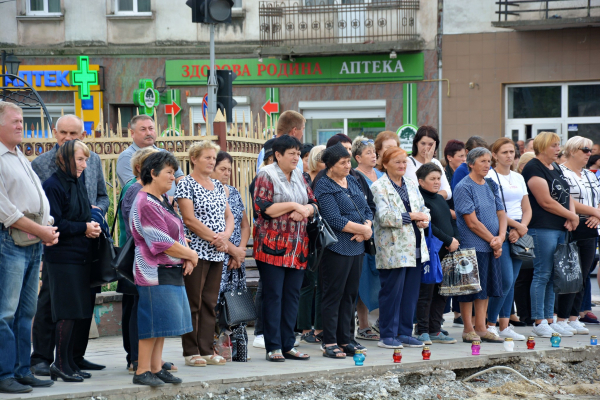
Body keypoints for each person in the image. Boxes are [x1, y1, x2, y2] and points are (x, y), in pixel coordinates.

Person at [30, 115, 109, 376]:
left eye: (73, 133)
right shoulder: (42, 164)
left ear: (83, 134)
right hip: (59, 244)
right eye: (63, 132)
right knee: (50, 302)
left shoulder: (92, 159)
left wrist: (95, 218)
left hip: (87, 242)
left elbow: (101, 196)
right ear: (55, 133)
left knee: (83, 300)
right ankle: (42, 357)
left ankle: (75, 356)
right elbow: (41, 207)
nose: (68, 138)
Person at [0, 102, 58, 394]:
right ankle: (4, 373)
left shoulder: (18, 155)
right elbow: (5, 211)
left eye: (22, 120)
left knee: (26, 312)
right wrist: (42, 231)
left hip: (32, 240)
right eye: (15, 121)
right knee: (5, 313)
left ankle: (23, 370)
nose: (21, 125)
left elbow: (35, 198)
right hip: (10, 239)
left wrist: (47, 226)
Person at [130, 152, 197, 387]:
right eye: (169, 172)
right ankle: (141, 370)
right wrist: (190, 255)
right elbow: (160, 241)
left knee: (162, 323)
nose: (173, 176)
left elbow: (177, 232)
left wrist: (187, 256)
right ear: (152, 173)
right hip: (152, 271)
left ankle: (156, 368)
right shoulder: (145, 202)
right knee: (151, 322)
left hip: (169, 268)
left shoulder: (162, 200)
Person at [253, 135, 316, 361]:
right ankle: (273, 346)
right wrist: (293, 205)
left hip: (297, 248)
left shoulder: (300, 175)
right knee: (274, 296)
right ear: (277, 155)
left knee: (292, 296)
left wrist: (306, 211)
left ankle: (288, 344)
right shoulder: (266, 175)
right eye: (291, 153)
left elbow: (313, 203)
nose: (296, 158)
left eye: (298, 154)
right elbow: (263, 207)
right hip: (272, 247)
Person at [41, 140, 100, 382]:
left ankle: (70, 362)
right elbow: (55, 223)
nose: (85, 165)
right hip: (62, 257)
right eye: (80, 159)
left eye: (86, 159)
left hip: (80, 255)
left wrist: (92, 226)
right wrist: (84, 227)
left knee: (76, 311)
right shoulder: (53, 184)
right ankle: (60, 364)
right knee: (66, 311)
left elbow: (82, 213)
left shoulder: (75, 183)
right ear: (65, 159)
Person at [176, 141, 234, 367]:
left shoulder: (218, 186)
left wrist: (225, 238)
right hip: (196, 252)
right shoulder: (186, 184)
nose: (212, 161)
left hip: (218, 252)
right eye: (207, 157)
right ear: (194, 159)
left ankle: (206, 349)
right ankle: (191, 351)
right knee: (193, 302)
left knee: (210, 302)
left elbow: (229, 216)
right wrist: (215, 238)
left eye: (214, 158)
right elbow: (189, 219)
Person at [313, 143, 373, 358]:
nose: (348, 165)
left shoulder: (353, 181)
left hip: (357, 246)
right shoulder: (324, 185)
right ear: (330, 165)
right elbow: (334, 219)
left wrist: (366, 228)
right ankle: (330, 342)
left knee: (349, 295)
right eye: (343, 163)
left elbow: (367, 208)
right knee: (333, 295)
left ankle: (345, 339)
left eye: (349, 161)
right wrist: (364, 230)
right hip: (336, 247)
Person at [370, 147, 430, 349]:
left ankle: (404, 332)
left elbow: (423, 208)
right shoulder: (379, 187)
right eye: (397, 162)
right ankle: (387, 334)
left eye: (404, 162)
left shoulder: (411, 184)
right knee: (392, 293)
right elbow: (384, 217)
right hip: (393, 247)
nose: (402, 166)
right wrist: (413, 216)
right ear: (385, 164)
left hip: (415, 245)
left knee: (410, 293)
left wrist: (424, 220)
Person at [521, 132, 579, 338]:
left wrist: (571, 216)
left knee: (553, 275)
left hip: (560, 227)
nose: (558, 149)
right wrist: (571, 215)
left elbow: (567, 194)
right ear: (543, 146)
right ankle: (538, 320)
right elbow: (545, 201)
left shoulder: (555, 167)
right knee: (542, 273)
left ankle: (549, 317)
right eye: (554, 145)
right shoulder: (533, 167)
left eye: (558, 145)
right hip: (542, 227)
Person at [453, 147, 506, 344]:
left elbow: (501, 213)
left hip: (491, 245)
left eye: (489, 161)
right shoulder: (463, 187)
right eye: (482, 161)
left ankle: (482, 328)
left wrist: (500, 237)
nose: (487, 165)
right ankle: (468, 329)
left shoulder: (491, 184)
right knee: (469, 289)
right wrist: (493, 240)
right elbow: (471, 222)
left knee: (485, 289)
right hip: (471, 246)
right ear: (471, 164)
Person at [485, 138, 532, 341]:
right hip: (500, 229)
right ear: (494, 155)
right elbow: (494, 209)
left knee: (512, 281)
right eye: (504, 152)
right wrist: (515, 227)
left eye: (512, 152)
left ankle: (505, 326)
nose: (509, 156)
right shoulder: (490, 177)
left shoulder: (518, 177)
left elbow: (527, 208)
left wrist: (521, 229)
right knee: (503, 280)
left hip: (519, 230)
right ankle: (490, 323)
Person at [558, 136, 600, 335]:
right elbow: (568, 201)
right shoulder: (562, 172)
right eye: (585, 150)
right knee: (569, 274)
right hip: (572, 225)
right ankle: (562, 317)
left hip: (591, 225)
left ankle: (574, 316)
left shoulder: (590, 175)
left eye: (590, 150)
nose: (589, 154)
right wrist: (596, 212)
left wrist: (597, 216)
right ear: (573, 150)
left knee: (583, 275)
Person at [414, 163, 459, 345]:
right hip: (431, 251)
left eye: (439, 178)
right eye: (432, 179)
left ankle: (435, 329)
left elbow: (450, 221)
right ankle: (422, 330)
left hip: (447, 250)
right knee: (427, 292)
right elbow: (430, 227)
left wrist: (454, 239)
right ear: (420, 181)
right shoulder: (420, 198)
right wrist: (448, 240)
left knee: (442, 292)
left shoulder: (440, 199)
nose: (436, 182)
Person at [352, 136, 382, 342]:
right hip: (365, 231)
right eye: (368, 153)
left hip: (383, 232)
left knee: (380, 279)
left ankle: (380, 321)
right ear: (357, 157)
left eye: (374, 152)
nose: (373, 156)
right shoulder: (355, 176)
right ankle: (363, 324)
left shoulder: (380, 174)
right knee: (364, 279)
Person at [210, 151, 251, 305]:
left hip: (237, 259)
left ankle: (235, 330)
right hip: (219, 254)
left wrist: (240, 251)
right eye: (222, 169)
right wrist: (233, 251)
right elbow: (211, 230)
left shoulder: (234, 192)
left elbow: (245, 226)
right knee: (215, 301)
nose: (227, 173)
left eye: (229, 169)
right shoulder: (208, 194)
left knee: (236, 306)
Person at [297, 144, 326, 344]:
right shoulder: (303, 178)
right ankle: (306, 328)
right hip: (307, 235)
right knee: (308, 283)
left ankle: (321, 327)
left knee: (323, 284)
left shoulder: (329, 179)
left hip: (325, 236)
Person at [249, 138, 276, 349]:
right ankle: (260, 331)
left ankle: (276, 332)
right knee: (266, 287)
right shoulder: (262, 178)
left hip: (287, 241)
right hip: (267, 239)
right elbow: (264, 209)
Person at [116, 115, 184, 195]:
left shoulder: (165, 154)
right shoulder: (127, 157)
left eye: (151, 128)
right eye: (143, 129)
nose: (148, 133)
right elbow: (136, 189)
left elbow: (180, 179)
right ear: (132, 133)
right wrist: (169, 201)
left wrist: (183, 200)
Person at [405, 126, 451, 200]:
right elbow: (421, 190)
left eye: (430, 144)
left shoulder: (436, 162)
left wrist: (432, 198)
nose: (426, 148)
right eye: (423, 143)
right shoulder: (407, 162)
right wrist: (427, 163)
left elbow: (447, 192)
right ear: (416, 143)